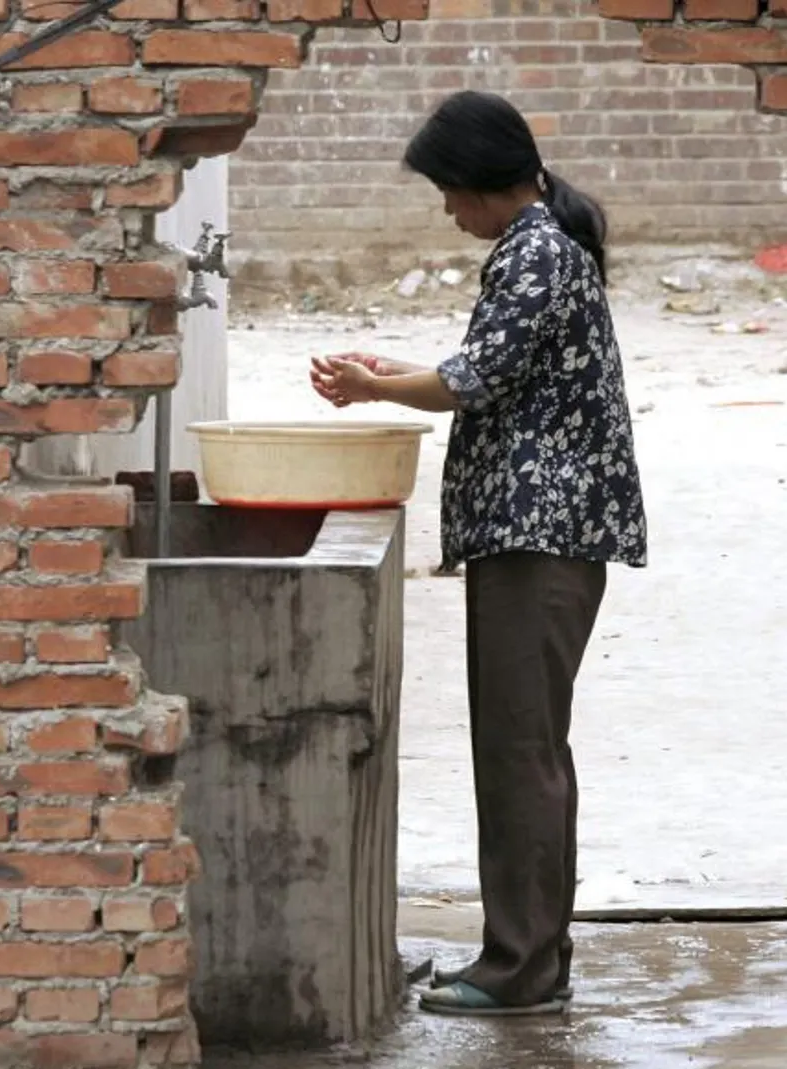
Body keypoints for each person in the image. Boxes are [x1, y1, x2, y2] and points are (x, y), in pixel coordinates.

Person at [309, 90, 648, 1018]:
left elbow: (471, 379)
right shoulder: (538, 249)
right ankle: (534, 957)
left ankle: (520, 968)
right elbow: (490, 369)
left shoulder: (536, 253)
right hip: (536, 539)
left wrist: (371, 384)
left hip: (536, 541)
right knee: (530, 749)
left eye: (449, 194)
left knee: (518, 753)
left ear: (484, 184)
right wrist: (390, 374)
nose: (448, 213)